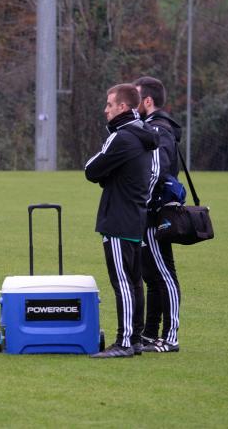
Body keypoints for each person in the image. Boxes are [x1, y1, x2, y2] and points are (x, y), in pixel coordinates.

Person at [85, 83, 159, 357]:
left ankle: (125, 342)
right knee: (134, 281)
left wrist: (106, 176)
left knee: (123, 283)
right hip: (136, 217)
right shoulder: (143, 135)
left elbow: (91, 169)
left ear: (123, 107)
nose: (105, 110)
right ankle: (136, 339)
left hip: (118, 218)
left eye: (109, 104)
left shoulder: (122, 137)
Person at [134, 76, 183, 353]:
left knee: (164, 274)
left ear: (148, 101)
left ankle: (171, 337)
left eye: (136, 99)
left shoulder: (159, 130)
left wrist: (140, 200)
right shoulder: (153, 127)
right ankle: (150, 334)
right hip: (149, 210)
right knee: (151, 276)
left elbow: (158, 170)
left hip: (155, 211)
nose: (133, 104)